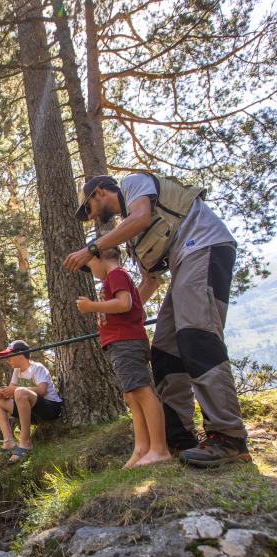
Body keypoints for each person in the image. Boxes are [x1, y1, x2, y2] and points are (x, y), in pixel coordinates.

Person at [64, 173, 251, 468]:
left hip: (203, 245)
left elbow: (140, 216)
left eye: (88, 209)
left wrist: (92, 248)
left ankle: (228, 437)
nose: (89, 218)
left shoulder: (134, 184)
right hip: (183, 263)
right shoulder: (134, 237)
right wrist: (119, 314)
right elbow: (149, 282)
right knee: (164, 348)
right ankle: (179, 438)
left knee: (195, 336)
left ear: (99, 192)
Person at [76, 247, 171, 467]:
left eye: (90, 267)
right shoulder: (114, 278)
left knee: (142, 391)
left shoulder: (116, 275)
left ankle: (159, 448)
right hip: (119, 344)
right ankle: (141, 448)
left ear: (98, 257)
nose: (92, 273)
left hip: (126, 342)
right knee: (131, 395)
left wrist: (91, 306)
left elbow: (124, 303)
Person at [0, 340, 63, 463]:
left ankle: (25, 442)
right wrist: (2, 393)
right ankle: (8, 441)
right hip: (31, 412)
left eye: (10, 355)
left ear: (20, 355)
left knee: (20, 392)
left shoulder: (37, 367)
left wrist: (16, 390)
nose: (8, 359)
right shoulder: (17, 371)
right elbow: (11, 391)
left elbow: (42, 390)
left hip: (50, 408)